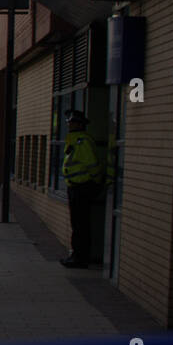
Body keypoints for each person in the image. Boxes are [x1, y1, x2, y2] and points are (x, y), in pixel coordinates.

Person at [60, 109, 103, 269]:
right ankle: (76, 255)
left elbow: (92, 164)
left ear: (79, 124)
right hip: (76, 188)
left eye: (72, 122)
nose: (69, 125)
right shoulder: (74, 140)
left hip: (82, 188)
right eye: (69, 122)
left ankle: (80, 258)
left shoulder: (82, 141)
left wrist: (95, 182)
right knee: (77, 224)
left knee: (80, 225)